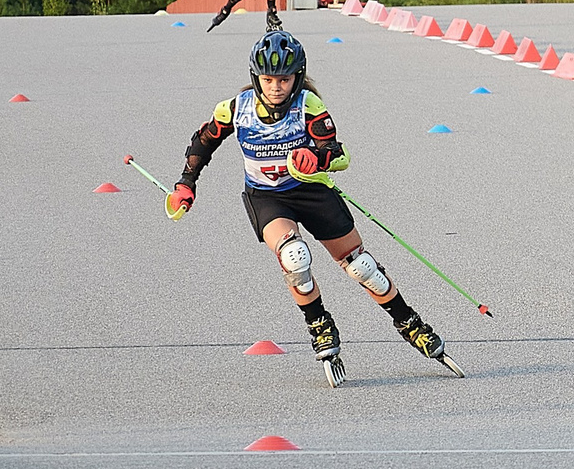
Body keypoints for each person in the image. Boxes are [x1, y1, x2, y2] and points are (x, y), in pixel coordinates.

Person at [165, 29, 462, 386]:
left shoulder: (309, 106)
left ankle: (410, 323)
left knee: (362, 267)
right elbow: (204, 141)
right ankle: (319, 324)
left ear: (298, 77)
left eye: (285, 79)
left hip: (311, 192)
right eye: (268, 79)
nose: (276, 87)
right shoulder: (234, 109)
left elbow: (340, 155)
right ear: (255, 78)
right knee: (294, 257)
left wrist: (316, 157)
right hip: (267, 197)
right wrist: (186, 183)